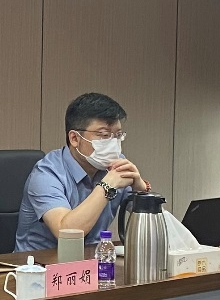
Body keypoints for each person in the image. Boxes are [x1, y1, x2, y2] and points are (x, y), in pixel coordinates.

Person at [15, 92, 150, 252]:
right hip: (40, 263)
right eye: (104, 135)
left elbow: (150, 221)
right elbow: (66, 232)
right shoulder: (46, 173)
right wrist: (107, 186)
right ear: (74, 138)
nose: (113, 143)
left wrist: (140, 188)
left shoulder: (114, 165)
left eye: (118, 135)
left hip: (93, 260)